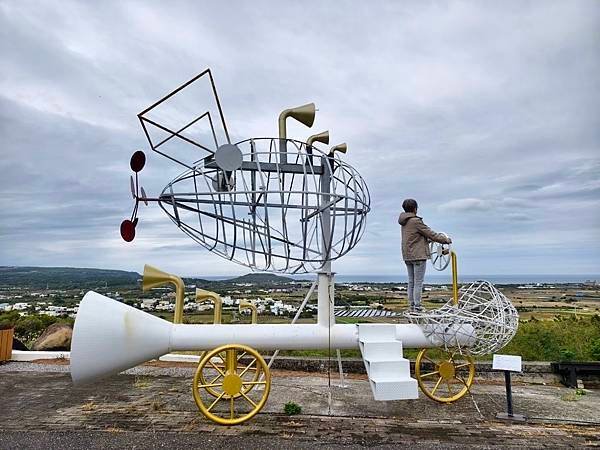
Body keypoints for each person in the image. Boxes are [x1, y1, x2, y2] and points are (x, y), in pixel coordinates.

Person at [398, 199, 451, 312]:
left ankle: (412, 306)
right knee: (418, 282)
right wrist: (445, 240)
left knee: (411, 281)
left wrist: (429, 241)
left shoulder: (404, 222)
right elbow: (431, 234)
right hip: (418, 256)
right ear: (415, 208)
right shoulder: (415, 221)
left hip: (407, 256)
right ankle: (417, 306)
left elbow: (416, 238)